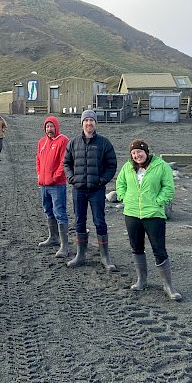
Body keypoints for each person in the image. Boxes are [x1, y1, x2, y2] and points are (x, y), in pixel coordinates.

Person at [115, 139, 182, 301]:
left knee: (159, 249)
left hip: (153, 215)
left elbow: (168, 187)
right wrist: (124, 197)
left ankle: (168, 286)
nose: (137, 155)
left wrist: (158, 202)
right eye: (133, 153)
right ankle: (141, 280)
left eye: (139, 151)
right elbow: (120, 184)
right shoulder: (127, 167)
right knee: (136, 247)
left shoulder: (161, 166)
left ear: (146, 151)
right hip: (131, 213)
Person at [63, 109, 118, 271]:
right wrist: (72, 179)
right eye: (86, 121)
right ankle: (80, 255)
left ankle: (105, 257)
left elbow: (111, 165)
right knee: (79, 221)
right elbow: (66, 163)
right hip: (78, 189)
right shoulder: (73, 143)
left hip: (97, 190)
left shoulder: (104, 143)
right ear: (82, 123)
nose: (89, 123)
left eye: (91, 121)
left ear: (95, 123)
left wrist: (101, 181)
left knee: (99, 221)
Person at [36, 116, 70, 257]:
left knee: (60, 213)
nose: (49, 129)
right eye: (47, 127)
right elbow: (38, 159)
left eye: (52, 126)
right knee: (48, 210)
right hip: (44, 184)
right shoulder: (42, 142)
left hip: (57, 185)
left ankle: (64, 246)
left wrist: (54, 177)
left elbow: (64, 162)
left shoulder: (63, 141)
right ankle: (53, 237)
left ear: (56, 127)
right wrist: (39, 175)